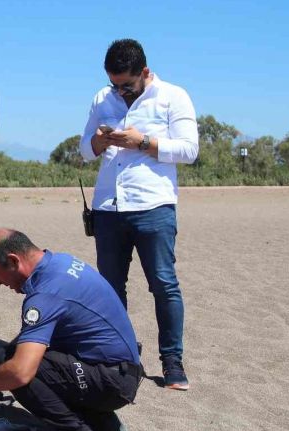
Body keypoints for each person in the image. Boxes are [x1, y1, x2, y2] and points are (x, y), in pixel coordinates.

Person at [78, 39, 199, 390]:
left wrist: (143, 142)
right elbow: (85, 150)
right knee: (110, 288)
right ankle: (120, 356)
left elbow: (190, 149)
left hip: (153, 206)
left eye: (126, 85)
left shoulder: (173, 96)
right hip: (108, 208)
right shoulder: (102, 98)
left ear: (144, 72)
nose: (119, 91)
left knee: (163, 284)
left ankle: (172, 362)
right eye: (114, 84)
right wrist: (100, 141)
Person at [0, 229, 141, 431]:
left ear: (14, 261)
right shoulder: (61, 262)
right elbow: (37, 332)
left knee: (15, 367)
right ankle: (103, 423)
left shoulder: (45, 295)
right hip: (120, 371)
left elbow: (19, 372)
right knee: (4, 357)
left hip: (112, 382)